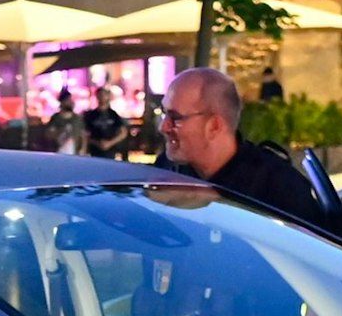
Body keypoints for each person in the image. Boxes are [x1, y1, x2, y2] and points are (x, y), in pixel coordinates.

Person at [155, 67, 325, 228]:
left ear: (214, 126)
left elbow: (316, 255)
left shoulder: (279, 189)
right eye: (164, 113)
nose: (163, 127)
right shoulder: (166, 173)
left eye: (175, 117)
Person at [83, 86, 128, 158]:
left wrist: (110, 143)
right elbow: (84, 134)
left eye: (104, 95)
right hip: (95, 151)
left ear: (109, 97)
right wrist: (97, 143)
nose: (102, 98)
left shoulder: (114, 115)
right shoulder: (91, 115)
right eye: (100, 95)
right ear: (97, 97)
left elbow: (123, 133)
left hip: (110, 151)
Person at [48, 89, 86, 155]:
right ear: (62, 102)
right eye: (68, 100)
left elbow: (83, 135)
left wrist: (83, 150)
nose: (71, 102)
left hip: (75, 154)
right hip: (59, 153)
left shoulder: (77, 118)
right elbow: (49, 134)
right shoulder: (56, 118)